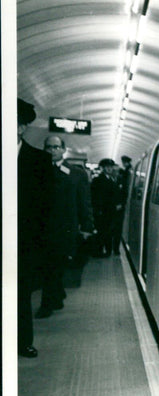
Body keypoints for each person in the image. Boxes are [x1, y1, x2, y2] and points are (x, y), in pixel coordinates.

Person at [36, 136, 95, 318]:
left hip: (66, 229)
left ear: (63, 150)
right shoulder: (37, 171)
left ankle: (54, 296)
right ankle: (49, 302)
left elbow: (84, 202)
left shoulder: (76, 173)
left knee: (57, 265)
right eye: (49, 147)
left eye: (56, 147)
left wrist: (87, 226)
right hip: (42, 229)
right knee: (48, 266)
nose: (52, 150)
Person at [17, 98, 53, 357]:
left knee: (20, 295)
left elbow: (45, 210)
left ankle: (22, 341)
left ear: (21, 127)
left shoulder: (39, 161)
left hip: (23, 243)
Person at [91, 158, 118, 256]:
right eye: (107, 167)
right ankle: (99, 251)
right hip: (102, 212)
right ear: (102, 168)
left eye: (111, 167)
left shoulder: (111, 179)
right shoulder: (98, 180)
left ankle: (107, 250)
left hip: (110, 211)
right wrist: (98, 210)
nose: (110, 169)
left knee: (108, 231)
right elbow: (95, 197)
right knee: (102, 232)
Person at [109, 156, 132, 254]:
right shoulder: (108, 181)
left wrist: (121, 204)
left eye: (117, 171)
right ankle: (109, 248)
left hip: (119, 210)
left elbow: (124, 194)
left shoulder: (122, 182)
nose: (116, 173)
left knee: (117, 229)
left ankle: (116, 248)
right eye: (114, 171)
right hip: (109, 210)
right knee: (109, 229)